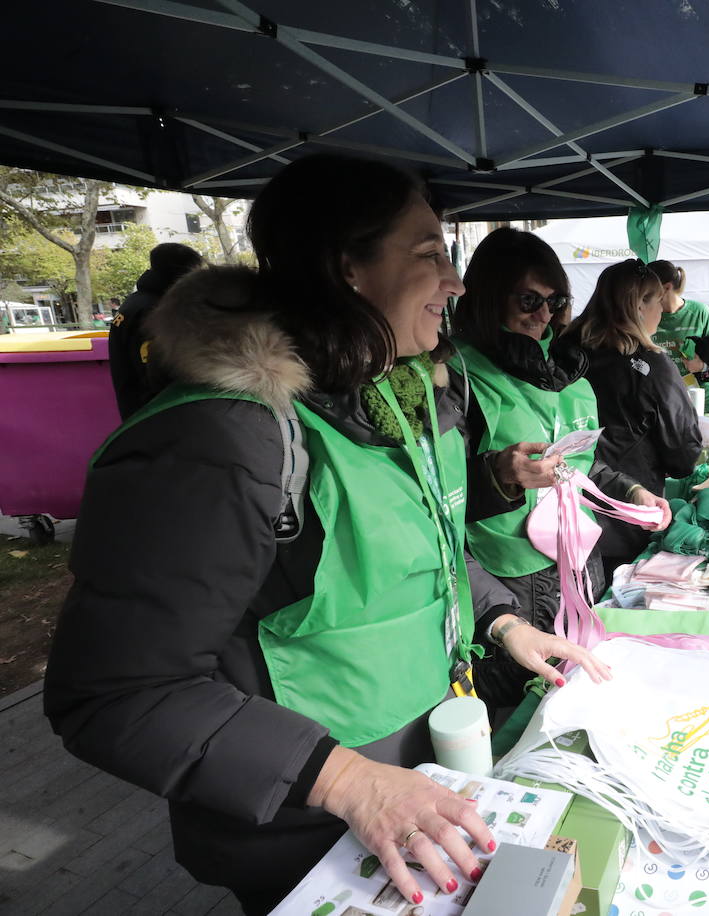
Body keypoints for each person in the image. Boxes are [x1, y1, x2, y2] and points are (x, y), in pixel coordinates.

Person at [44, 154, 610, 914]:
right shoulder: (223, 437)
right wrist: (346, 780)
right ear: (348, 268)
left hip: (417, 787)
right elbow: (114, 692)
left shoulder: (403, 393)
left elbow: (419, 547)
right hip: (304, 825)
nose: (457, 282)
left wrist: (501, 619)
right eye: (430, 254)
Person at [450, 229, 671, 708]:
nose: (543, 315)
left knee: (579, 694)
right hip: (507, 583)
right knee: (520, 707)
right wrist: (497, 473)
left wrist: (632, 492)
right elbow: (433, 499)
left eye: (555, 301)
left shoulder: (568, 373)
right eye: (529, 299)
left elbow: (583, 466)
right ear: (490, 297)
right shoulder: (455, 377)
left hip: (578, 566)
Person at [560, 258, 702, 584]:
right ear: (639, 305)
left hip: (565, 512)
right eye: (656, 301)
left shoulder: (562, 350)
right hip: (628, 514)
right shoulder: (652, 364)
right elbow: (684, 454)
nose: (663, 311)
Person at [107, 242, 203, 418]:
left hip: (142, 412)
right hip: (158, 414)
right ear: (181, 274)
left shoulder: (135, 303)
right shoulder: (154, 310)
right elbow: (157, 376)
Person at [646, 259, 709, 410]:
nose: (644, 294)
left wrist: (702, 366)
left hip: (698, 402)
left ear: (666, 287)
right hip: (660, 403)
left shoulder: (699, 312)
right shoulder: (646, 314)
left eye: (648, 289)